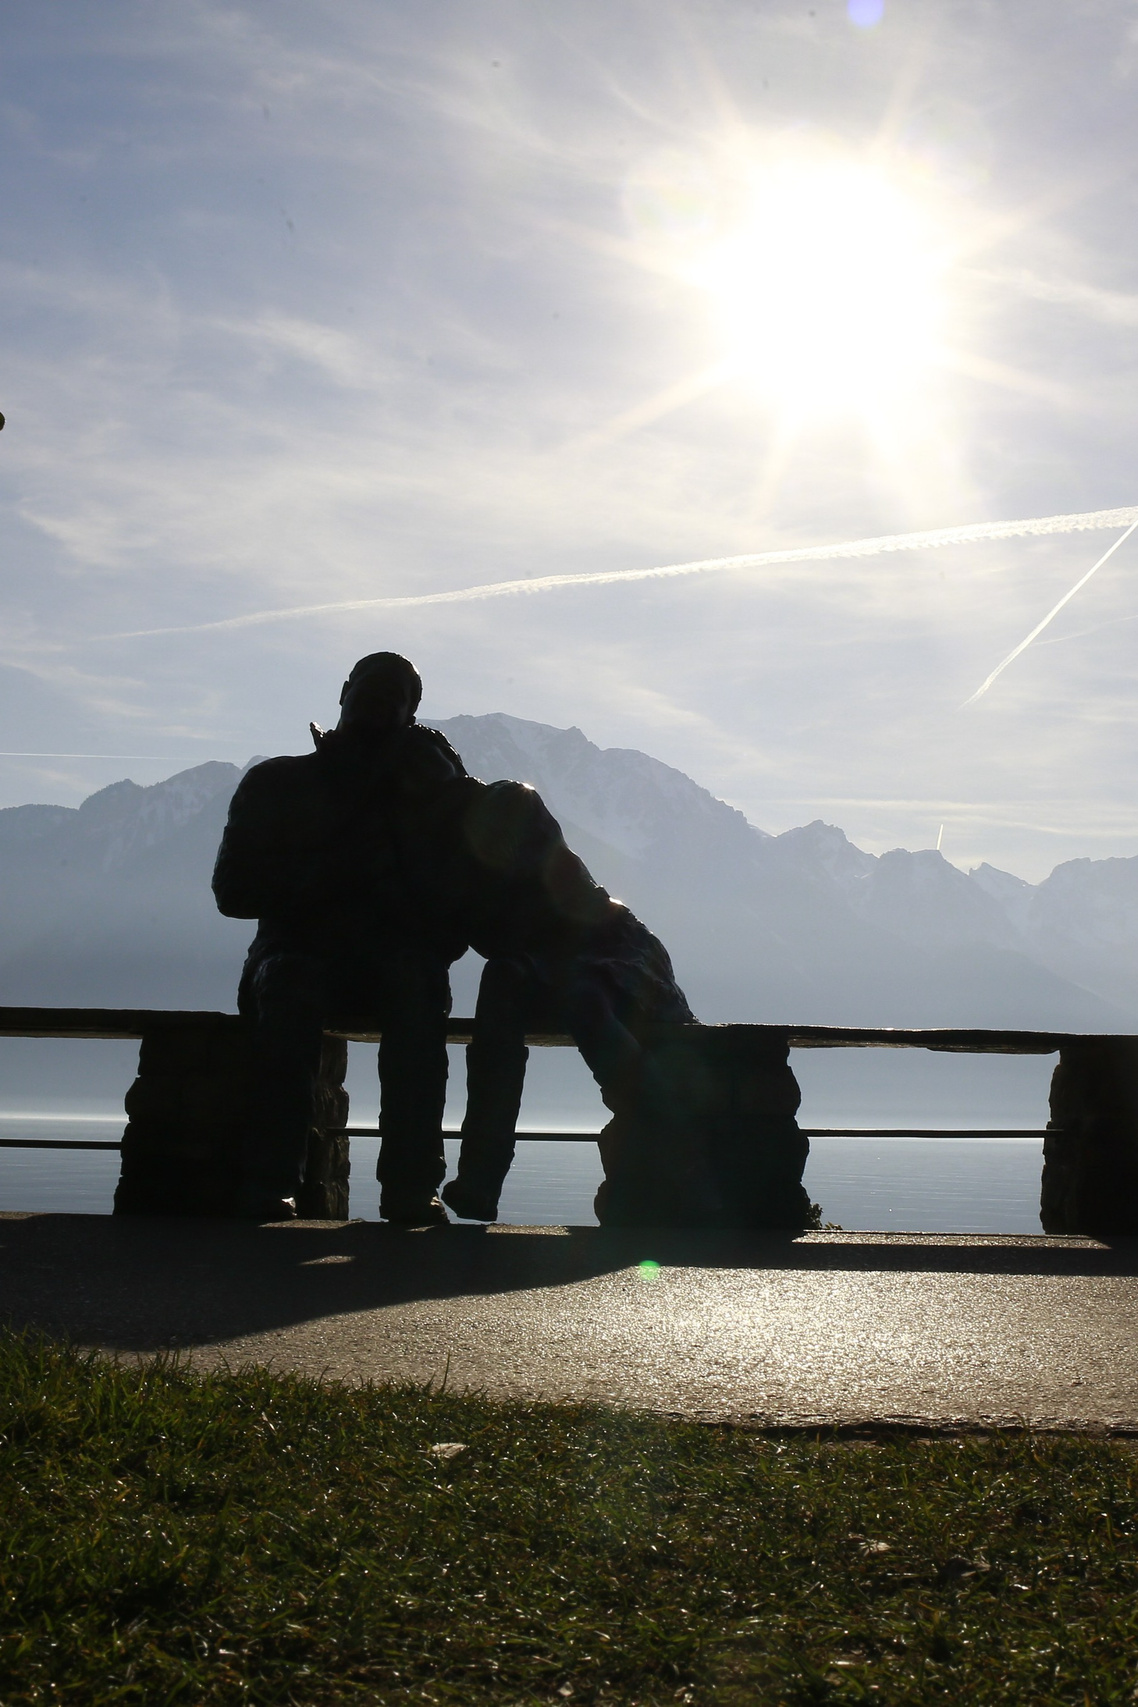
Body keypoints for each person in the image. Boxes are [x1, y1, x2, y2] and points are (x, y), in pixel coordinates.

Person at [212, 652, 467, 1222]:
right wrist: (336, 875)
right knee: (294, 981)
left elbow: (458, 900)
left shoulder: (425, 798)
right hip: (290, 955)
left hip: (385, 964)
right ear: (344, 692)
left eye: (395, 695)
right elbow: (233, 892)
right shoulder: (276, 782)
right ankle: (271, 1178)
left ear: (411, 715)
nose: (379, 702)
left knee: (418, 981)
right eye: (371, 689)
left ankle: (411, 1185)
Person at [423, 780, 697, 1223]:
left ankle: (665, 1126)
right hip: (547, 959)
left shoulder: (515, 806)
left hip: (612, 948)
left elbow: (572, 916)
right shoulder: (447, 858)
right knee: (503, 978)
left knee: (581, 995)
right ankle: (481, 1176)